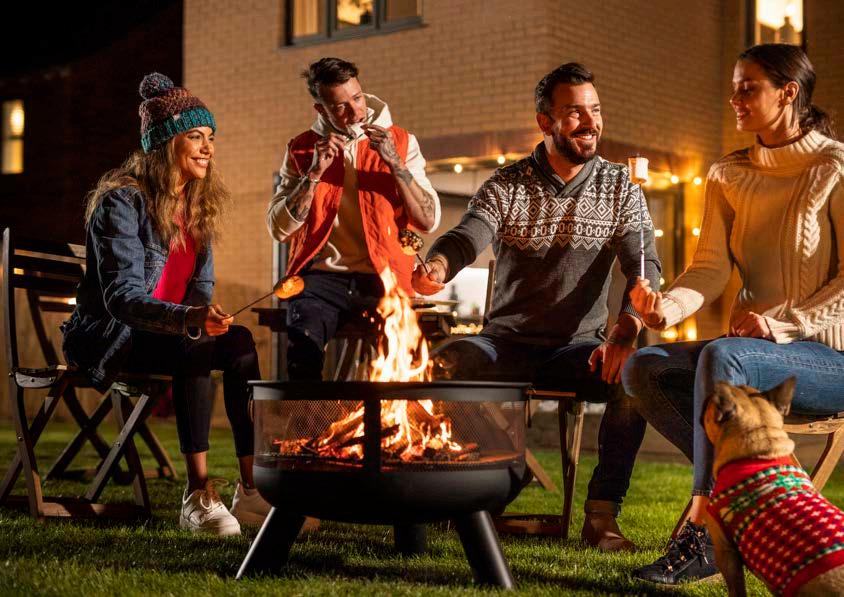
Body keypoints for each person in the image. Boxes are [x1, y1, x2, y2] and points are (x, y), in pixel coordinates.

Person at [413, 63, 661, 551]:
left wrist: (627, 328)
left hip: (578, 349)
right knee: (446, 362)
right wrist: (439, 265)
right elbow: (468, 235)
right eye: (575, 113)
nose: (590, 122)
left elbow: (644, 266)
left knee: (635, 376)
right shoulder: (507, 184)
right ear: (545, 121)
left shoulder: (622, 188)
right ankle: (496, 478)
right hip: (504, 345)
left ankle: (602, 515)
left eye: (595, 110)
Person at [622, 43, 844, 585]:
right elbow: (708, 270)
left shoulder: (833, 166)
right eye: (733, 89)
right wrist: (664, 308)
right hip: (752, 356)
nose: (735, 99)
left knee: (724, 357)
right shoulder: (728, 173)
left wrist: (783, 323)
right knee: (643, 367)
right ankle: (751, 488)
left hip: (828, 358)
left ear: (788, 93)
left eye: (749, 89)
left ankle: (704, 528)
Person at [62, 73, 268, 536]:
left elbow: (200, 289)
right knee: (193, 341)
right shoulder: (122, 201)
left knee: (239, 343)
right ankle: (198, 494)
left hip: (169, 336)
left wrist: (203, 316)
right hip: (111, 338)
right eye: (195, 136)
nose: (208, 147)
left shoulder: (197, 208)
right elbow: (122, 299)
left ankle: (251, 489)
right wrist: (190, 320)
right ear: (163, 143)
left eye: (211, 137)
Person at [267, 57, 440, 380]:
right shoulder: (302, 149)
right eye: (341, 107)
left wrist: (394, 163)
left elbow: (428, 220)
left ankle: (393, 414)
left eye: (357, 98)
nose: (356, 111)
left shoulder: (402, 141)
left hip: (384, 276)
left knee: (403, 360)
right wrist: (314, 174)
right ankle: (309, 413)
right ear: (321, 110)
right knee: (302, 350)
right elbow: (279, 229)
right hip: (321, 280)